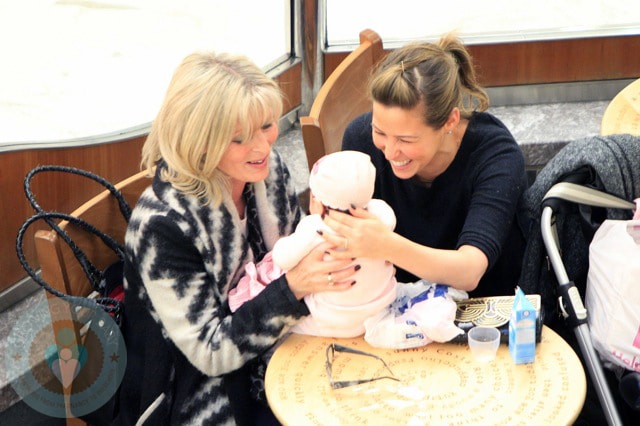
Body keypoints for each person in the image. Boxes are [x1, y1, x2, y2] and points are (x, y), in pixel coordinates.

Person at [115, 51, 357, 426]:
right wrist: (291, 288)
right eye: (238, 138)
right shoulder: (161, 226)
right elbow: (210, 353)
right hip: (196, 390)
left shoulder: (267, 170)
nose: (261, 147)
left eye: (267, 125)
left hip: (277, 344)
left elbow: (297, 253)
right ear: (199, 141)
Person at [322, 33, 527, 298]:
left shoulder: (496, 156)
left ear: (449, 122)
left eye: (406, 139)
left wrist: (384, 245)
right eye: (380, 132)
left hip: (486, 313)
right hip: (394, 306)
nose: (390, 152)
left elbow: (470, 270)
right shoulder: (361, 139)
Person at [229, 150, 398, 338]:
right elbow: (390, 223)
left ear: (317, 202)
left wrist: (283, 245)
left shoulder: (315, 227)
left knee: (286, 328)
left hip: (332, 320)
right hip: (381, 304)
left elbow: (283, 258)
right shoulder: (380, 215)